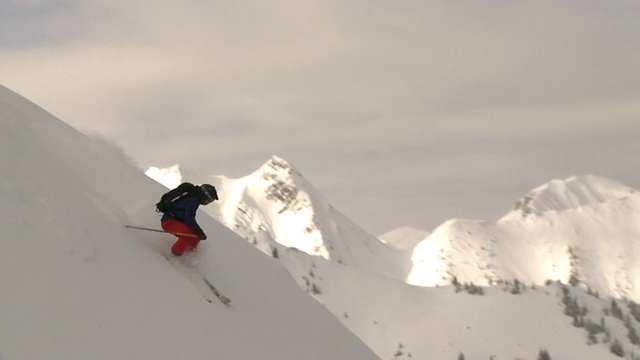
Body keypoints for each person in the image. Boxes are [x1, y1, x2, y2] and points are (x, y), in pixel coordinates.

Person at [160, 183, 218, 256]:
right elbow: (189, 217)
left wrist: (198, 232)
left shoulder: (194, 197)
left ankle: (188, 255)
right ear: (205, 195)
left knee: (195, 236)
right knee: (188, 234)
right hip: (169, 221)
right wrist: (199, 231)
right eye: (209, 200)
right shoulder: (194, 200)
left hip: (173, 220)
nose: (208, 203)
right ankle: (173, 255)